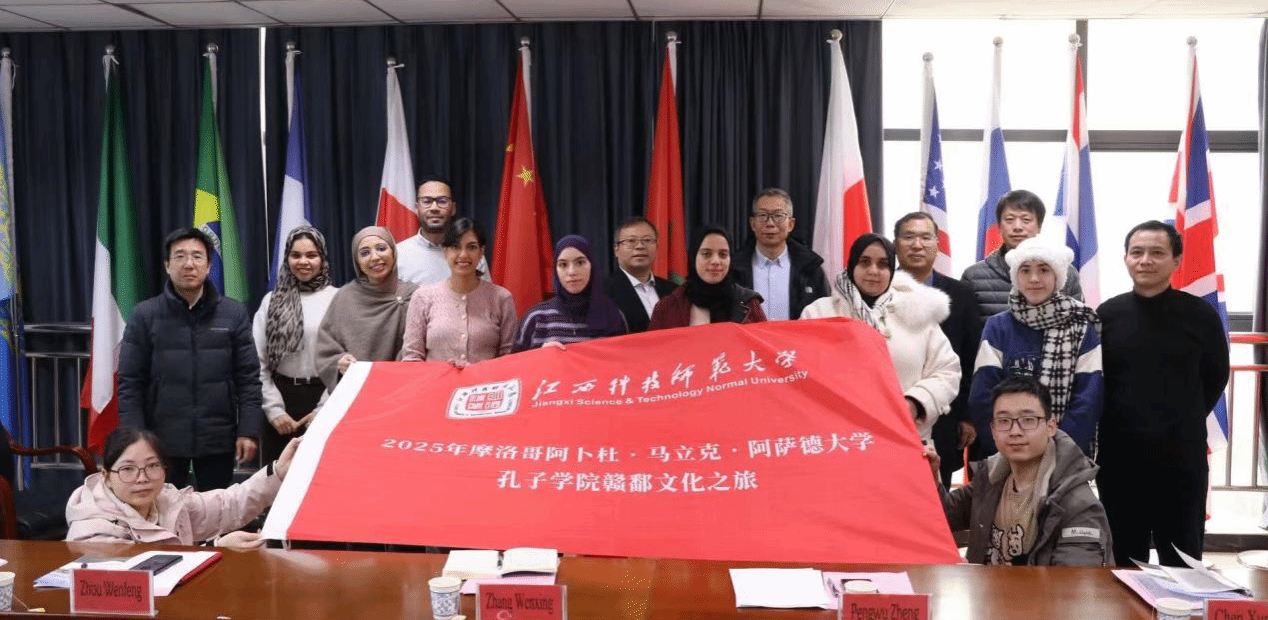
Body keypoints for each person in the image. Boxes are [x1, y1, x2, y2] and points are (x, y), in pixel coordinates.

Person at [1097, 221, 1229, 567]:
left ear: (1176, 260)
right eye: (1137, 252)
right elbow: (1096, 381)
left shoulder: (1201, 315)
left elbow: (1216, 375)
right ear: (1126, 258)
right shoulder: (1106, 315)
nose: (1145, 260)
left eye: (1157, 253)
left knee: (1183, 560)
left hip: (1181, 458)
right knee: (1123, 560)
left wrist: (1180, 417)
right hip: (1119, 459)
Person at [117, 227, 262, 491]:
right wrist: (135, 437)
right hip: (161, 439)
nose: (189, 264)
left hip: (217, 436)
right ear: (167, 265)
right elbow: (130, 383)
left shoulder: (233, 314)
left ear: (209, 265)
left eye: (197, 256)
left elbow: (249, 379)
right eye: (180, 256)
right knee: (162, 509)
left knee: (216, 508)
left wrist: (248, 430)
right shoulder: (145, 315)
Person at [933, 376, 1113, 566]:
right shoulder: (989, 480)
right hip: (985, 586)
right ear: (993, 430)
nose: (1015, 431)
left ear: (1051, 426)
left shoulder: (1078, 504)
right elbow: (941, 516)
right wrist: (931, 477)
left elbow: (1075, 580)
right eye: (1004, 421)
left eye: (1028, 420)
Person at [801, 233, 959, 442]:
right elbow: (802, 372)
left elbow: (947, 371)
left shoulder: (918, 313)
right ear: (852, 265)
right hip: (839, 438)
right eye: (865, 262)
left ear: (892, 270)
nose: (873, 271)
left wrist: (915, 403)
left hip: (906, 436)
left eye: (883, 264)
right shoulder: (819, 313)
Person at [967, 237, 1102, 457]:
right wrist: (1010, 450)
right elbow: (982, 397)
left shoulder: (1082, 325)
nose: (1034, 278)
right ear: (1016, 277)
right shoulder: (998, 327)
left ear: (1058, 277)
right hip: (1005, 455)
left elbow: (1088, 399)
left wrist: (1055, 453)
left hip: (1065, 456)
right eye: (1025, 270)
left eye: (1044, 270)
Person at [66, 427, 299, 549]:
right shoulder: (92, 529)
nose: (142, 478)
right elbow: (137, 583)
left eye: (152, 466)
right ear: (106, 476)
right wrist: (216, 547)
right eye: (128, 469)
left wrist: (278, 472)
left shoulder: (167, 500)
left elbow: (228, 505)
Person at [894, 212, 982, 486]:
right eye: (908, 237)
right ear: (895, 244)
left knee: (935, 493)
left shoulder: (961, 294)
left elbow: (971, 359)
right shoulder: (879, 290)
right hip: (891, 411)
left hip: (944, 415)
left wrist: (967, 416)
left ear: (937, 245)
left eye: (925, 237)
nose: (917, 245)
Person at [252, 226, 338, 464]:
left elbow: (345, 362)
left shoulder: (339, 298)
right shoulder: (271, 301)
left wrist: (323, 409)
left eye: (311, 255)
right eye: (296, 255)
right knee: (277, 479)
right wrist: (274, 410)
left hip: (326, 396)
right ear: (287, 258)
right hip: (280, 400)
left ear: (322, 258)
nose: (303, 262)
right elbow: (256, 361)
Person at [315, 226, 419, 388]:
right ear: (356, 261)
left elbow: (421, 350)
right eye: (364, 253)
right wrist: (339, 362)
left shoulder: (414, 296)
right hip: (355, 390)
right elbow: (325, 351)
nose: (375, 257)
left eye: (381, 249)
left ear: (393, 252)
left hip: (402, 389)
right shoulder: (345, 297)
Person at [402, 218, 517, 364]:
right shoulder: (423, 297)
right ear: (445, 252)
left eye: (472, 247)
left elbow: (510, 358)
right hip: (435, 379)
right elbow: (412, 358)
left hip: (487, 379)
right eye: (455, 247)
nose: (463, 255)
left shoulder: (501, 298)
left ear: (481, 252)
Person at [961, 190, 1082, 322]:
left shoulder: (1065, 272)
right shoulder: (974, 276)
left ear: (1039, 226)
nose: (1017, 227)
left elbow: (1078, 324)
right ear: (999, 227)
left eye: (1026, 220)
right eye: (1009, 220)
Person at [512, 235, 628, 352]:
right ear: (555, 269)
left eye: (580, 262)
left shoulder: (613, 315)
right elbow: (514, 361)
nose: (571, 272)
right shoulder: (536, 318)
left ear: (591, 265)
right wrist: (540, 356)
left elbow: (625, 360)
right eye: (563, 265)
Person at [730, 188, 829, 321]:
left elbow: (827, 317)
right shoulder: (733, 269)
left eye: (778, 216)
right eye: (762, 215)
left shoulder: (811, 270)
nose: (770, 223)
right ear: (752, 224)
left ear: (790, 224)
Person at [649, 226, 767, 328]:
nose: (716, 261)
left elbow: (764, 344)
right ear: (693, 257)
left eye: (723, 254)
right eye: (706, 254)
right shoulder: (666, 307)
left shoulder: (749, 303)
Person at [395, 175, 490, 285]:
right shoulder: (398, 255)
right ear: (417, 208)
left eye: (442, 201)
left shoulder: (471, 253)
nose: (434, 208)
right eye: (427, 201)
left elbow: (485, 294)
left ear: (453, 208)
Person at [604, 217, 676, 334]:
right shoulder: (602, 292)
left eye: (647, 240)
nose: (640, 246)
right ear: (616, 249)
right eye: (631, 241)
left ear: (657, 247)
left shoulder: (674, 291)